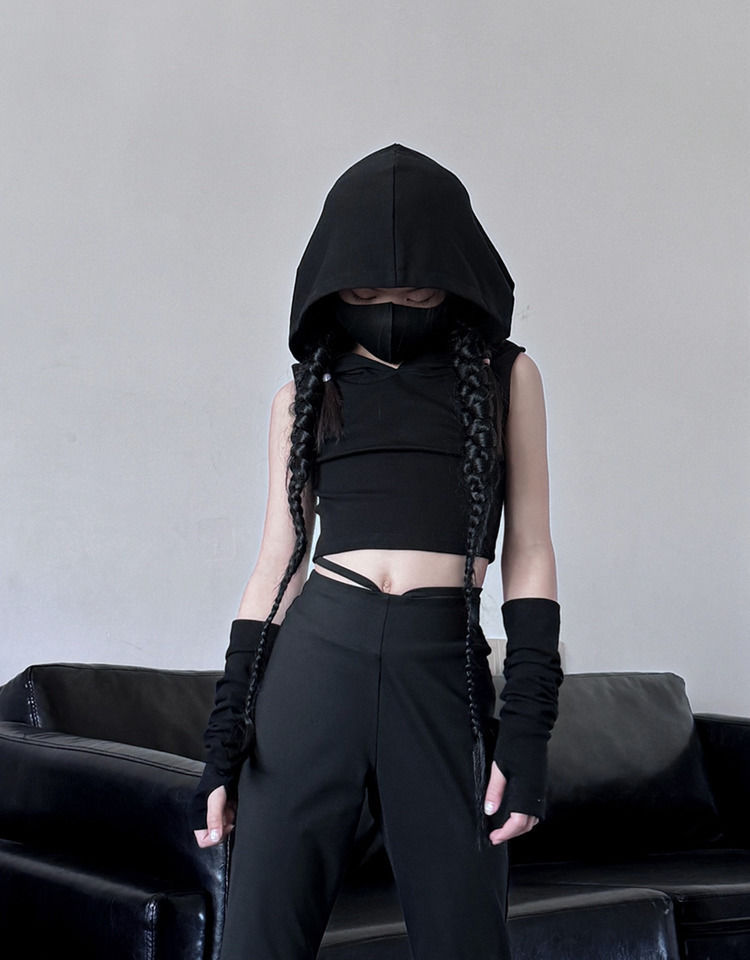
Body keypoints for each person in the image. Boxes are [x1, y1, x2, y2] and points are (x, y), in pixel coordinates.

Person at [189, 143, 563, 960]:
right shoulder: (303, 395)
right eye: (367, 293)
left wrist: (529, 729)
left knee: (466, 940)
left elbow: (531, 552)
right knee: (257, 941)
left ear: (455, 281)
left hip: (443, 667)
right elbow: (276, 566)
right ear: (333, 289)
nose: (392, 306)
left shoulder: (507, 378)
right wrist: (222, 746)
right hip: (316, 663)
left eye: (416, 291)